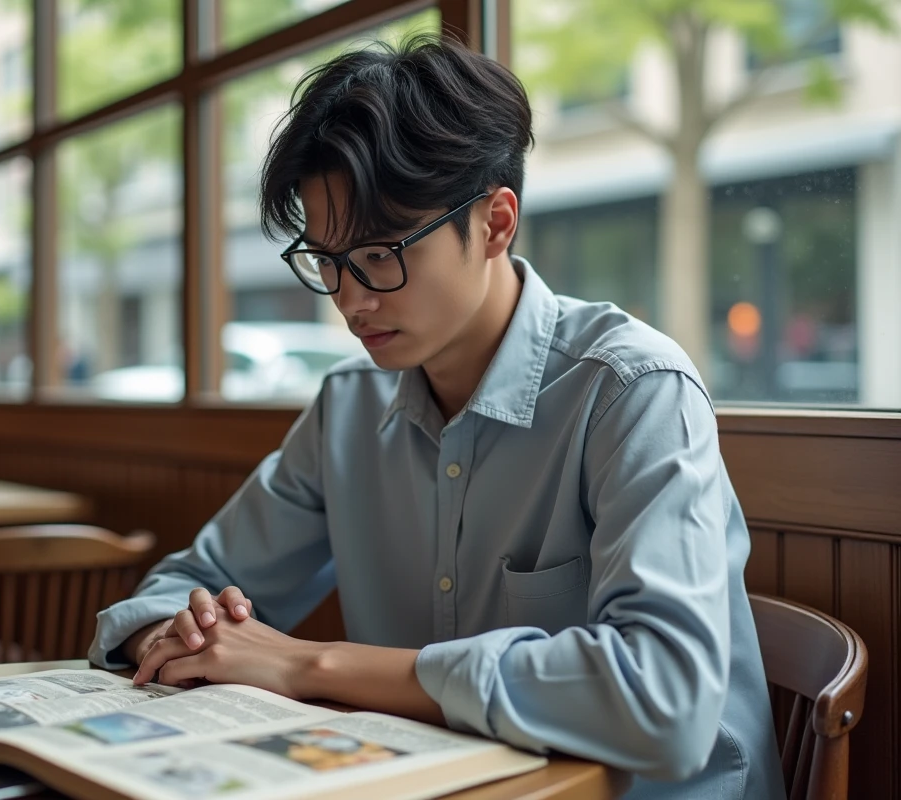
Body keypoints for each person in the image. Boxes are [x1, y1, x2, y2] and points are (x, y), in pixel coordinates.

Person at [89, 34, 785, 799]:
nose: (351, 299)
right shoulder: (349, 408)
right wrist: (180, 632)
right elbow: (190, 581)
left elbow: (666, 701)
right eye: (327, 259)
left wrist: (307, 664)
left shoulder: (631, 389)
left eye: (381, 254)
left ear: (493, 224)